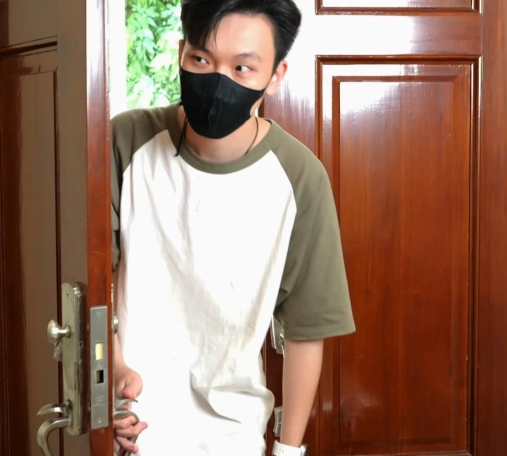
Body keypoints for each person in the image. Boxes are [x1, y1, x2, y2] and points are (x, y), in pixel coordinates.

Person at [109, 1, 355, 455]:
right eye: (202, 59)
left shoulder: (299, 177)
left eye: (242, 68)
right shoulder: (126, 141)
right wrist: (114, 377)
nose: (218, 81)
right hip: (134, 428)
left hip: (234, 435)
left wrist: (287, 450)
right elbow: (90, 284)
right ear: (181, 53)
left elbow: (306, 329)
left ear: (275, 76)